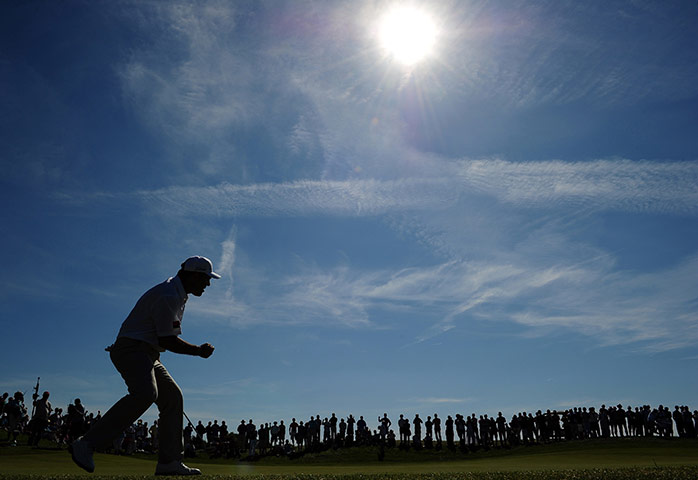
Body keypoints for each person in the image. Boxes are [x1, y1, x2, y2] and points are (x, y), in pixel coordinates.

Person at [69, 256, 220, 476]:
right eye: (205, 279)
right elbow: (168, 339)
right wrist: (198, 351)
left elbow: (162, 339)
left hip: (147, 353)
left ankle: (169, 462)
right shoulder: (169, 295)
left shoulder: (177, 293)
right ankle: (87, 443)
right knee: (145, 394)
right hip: (132, 350)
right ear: (194, 275)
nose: (207, 285)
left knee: (172, 398)